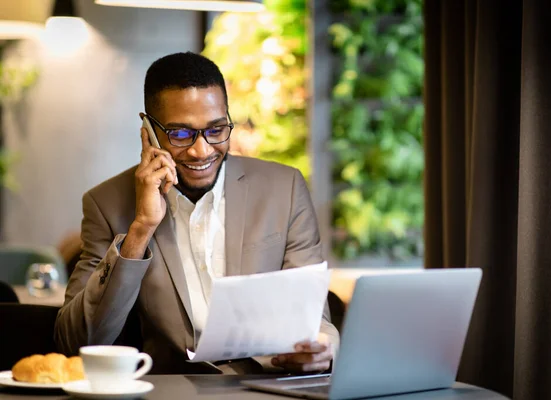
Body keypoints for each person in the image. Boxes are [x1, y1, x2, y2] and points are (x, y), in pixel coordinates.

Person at [55, 52, 339, 375]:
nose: (201, 150)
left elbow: (316, 319)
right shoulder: (106, 204)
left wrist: (326, 347)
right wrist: (140, 230)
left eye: (216, 130)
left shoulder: (284, 189)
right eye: (180, 134)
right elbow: (75, 342)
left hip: (269, 387)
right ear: (148, 131)